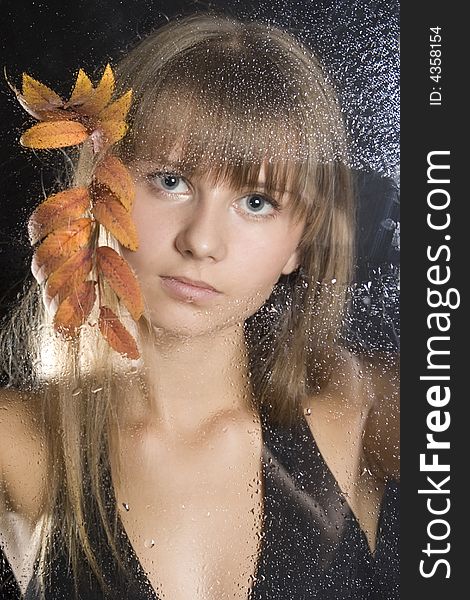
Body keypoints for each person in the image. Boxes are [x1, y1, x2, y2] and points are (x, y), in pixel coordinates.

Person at [0, 12, 399, 600]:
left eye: (257, 201)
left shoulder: (357, 406)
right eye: (170, 181)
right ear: (99, 187)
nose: (201, 242)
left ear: (301, 240)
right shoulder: (19, 439)